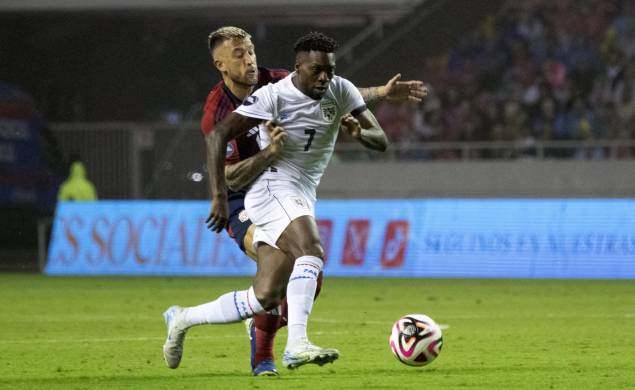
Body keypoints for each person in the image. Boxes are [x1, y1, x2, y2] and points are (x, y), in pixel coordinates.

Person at [163, 27, 425, 375]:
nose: (249, 59)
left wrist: (369, 116)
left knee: (266, 295)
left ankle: (183, 318)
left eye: (250, 50)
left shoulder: (318, 83)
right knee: (310, 251)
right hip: (257, 188)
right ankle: (292, 346)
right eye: (238, 54)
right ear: (220, 64)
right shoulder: (255, 99)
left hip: (300, 190)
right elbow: (221, 150)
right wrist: (221, 196)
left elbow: (368, 126)